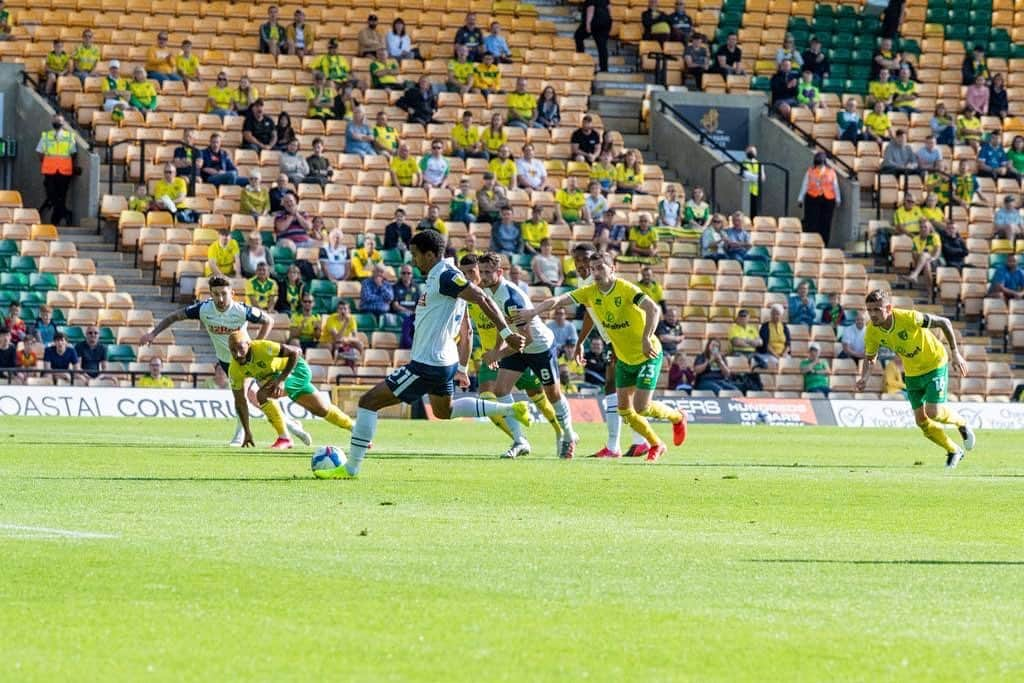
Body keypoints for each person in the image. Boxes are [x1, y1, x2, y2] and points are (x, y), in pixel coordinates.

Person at [311, 230, 533, 477]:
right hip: (443, 360)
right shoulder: (441, 275)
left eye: (416, 255)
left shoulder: (446, 276)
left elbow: (481, 298)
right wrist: (460, 368)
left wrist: (505, 333)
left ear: (430, 255)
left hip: (428, 363)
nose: (413, 260)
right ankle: (510, 409)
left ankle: (350, 468)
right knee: (443, 411)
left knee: (368, 402)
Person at [524, 251, 687, 462]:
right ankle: (656, 444)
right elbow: (557, 300)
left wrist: (647, 338)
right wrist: (533, 312)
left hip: (648, 354)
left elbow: (653, 309)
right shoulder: (590, 292)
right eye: (593, 269)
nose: (596, 272)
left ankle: (678, 417)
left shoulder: (625, 288)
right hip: (624, 358)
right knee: (625, 411)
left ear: (612, 268)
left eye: (601, 267)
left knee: (642, 407)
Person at [474, 253, 579, 458]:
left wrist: (498, 353)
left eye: (488, 272)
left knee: (553, 394)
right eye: (482, 272)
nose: (483, 276)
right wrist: (497, 349)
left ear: (499, 272)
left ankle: (568, 435)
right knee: (501, 389)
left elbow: (527, 340)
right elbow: (502, 325)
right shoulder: (489, 292)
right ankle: (519, 440)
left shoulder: (510, 298)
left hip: (539, 347)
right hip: (518, 344)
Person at [855, 289, 974, 467]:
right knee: (921, 421)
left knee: (933, 412)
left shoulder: (909, 318)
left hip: (934, 363)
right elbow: (871, 357)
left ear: (888, 308)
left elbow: (944, 322)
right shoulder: (872, 331)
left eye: (877, 310)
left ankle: (962, 424)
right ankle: (953, 450)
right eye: (869, 310)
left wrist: (955, 353)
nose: (872, 314)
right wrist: (864, 376)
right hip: (912, 372)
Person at [229, 332, 353, 450]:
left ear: (249, 344)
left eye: (240, 348)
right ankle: (356, 430)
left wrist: (282, 380)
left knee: (262, 395)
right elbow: (240, 402)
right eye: (233, 350)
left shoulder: (263, 347)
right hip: (279, 376)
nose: (237, 354)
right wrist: (247, 432)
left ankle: (284, 438)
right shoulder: (234, 369)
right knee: (322, 410)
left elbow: (296, 351)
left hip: (297, 370)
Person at [36, 114, 77, 227]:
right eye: (55, 120)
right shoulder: (46, 136)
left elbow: (73, 153)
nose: (57, 122)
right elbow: (39, 152)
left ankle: (55, 221)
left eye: (59, 121)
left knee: (61, 196)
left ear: (63, 123)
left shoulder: (69, 137)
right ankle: (65, 213)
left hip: (64, 172)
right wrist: (47, 161)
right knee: (51, 194)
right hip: (50, 171)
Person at [798, 152, 841, 245]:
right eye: (818, 164)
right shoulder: (810, 171)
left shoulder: (831, 172)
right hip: (812, 198)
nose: (819, 167)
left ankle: (824, 243)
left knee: (825, 223)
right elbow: (805, 185)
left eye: (820, 164)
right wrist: (800, 198)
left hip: (828, 199)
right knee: (811, 222)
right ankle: (811, 243)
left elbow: (835, 186)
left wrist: (838, 199)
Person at [575, 0, 612, 73]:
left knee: (578, 36)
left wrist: (588, 24)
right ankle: (604, 69)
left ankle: (581, 58)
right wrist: (609, 20)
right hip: (605, 22)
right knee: (602, 46)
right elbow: (609, 8)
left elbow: (591, 9)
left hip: (595, 22)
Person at [905, 219, 940, 290]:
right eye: (921, 227)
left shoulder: (934, 236)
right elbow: (914, 254)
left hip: (935, 260)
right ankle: (930, 292)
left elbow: (937, 251)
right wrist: (922, 256)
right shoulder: (916, 238)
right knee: (925, 260)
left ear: (929, 228)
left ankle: (915, 274)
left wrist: (932, 258)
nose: (923, 229)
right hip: (921, 261)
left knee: (925, 257)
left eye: (925, 227)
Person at [756, 303, 791, 369]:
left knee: (789, 363)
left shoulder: (785, 327)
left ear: (781, 315)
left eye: (777, 314)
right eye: (773, 314)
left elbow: (788, 343)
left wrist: (784, 354)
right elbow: (766, 344)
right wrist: (776, 356)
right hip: (769, 354)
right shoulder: (765, 326)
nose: (775, 316)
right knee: (775, 362)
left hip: (783, 354)